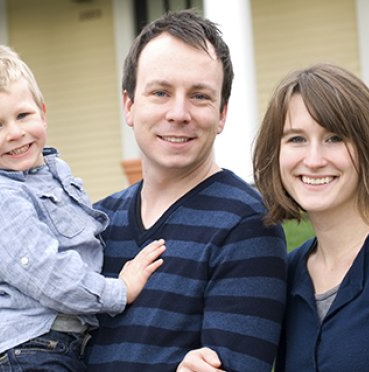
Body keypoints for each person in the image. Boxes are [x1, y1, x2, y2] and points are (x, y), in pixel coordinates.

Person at [187, 62, 369, 370]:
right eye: (296, 139)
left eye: (335, 138)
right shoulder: (290, 275)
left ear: (368, 146)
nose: (314, 160)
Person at [0, 43, 167, 372]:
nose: (15, 133)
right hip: (31, 352)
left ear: (42, 113)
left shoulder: (52, 174)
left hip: (60, 346)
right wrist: (119, 291)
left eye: (22, 115)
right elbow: (48, 273)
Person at [84, 10, 288, 372]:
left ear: (222, 114)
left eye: (199, 96)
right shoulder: (95, 225)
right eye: (161, 92)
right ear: (129, 105)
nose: (179, 113)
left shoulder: (246, 225)